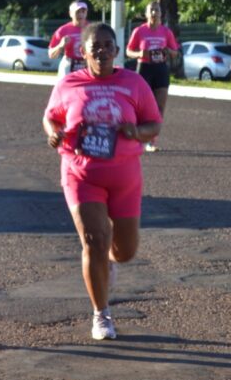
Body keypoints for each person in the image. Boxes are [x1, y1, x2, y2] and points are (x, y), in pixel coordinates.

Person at [43, 22, 162, 340]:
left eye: (108, 45)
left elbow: (154, 124)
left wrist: (136, 131)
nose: (102, 51)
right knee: (94, 241)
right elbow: (51, 116)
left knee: (124, 251)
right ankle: (101, 314)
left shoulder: (134, 83)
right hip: (80, 173)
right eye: (95, 46)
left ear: (117, 51)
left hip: (125, 175)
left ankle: (109, 262)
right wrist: (53, 133)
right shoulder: (69, 84)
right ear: (82, 52)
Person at [125, 1, 178, 151]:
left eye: (157, 10)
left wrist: (168, 51)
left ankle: (151, 141)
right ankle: (138, 136)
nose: (154, 13)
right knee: (141, 106)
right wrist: (139, 54)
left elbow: (175, 52)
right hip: (144, 68)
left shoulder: (166, 32)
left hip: (160, 69)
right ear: (146, 14)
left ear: (161, 13)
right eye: (152, 10)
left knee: (159, 107)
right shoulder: (139, 31)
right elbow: (128, 51)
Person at [49, 0, 89, 77]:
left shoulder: (92, 29)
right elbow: (51, 55)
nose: (81, 14)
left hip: (87, 64)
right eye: (77, 12)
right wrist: (61, 45)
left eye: (83, 11)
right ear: (70, 13)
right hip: (69, 64)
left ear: (86, 13)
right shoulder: (63, 30)